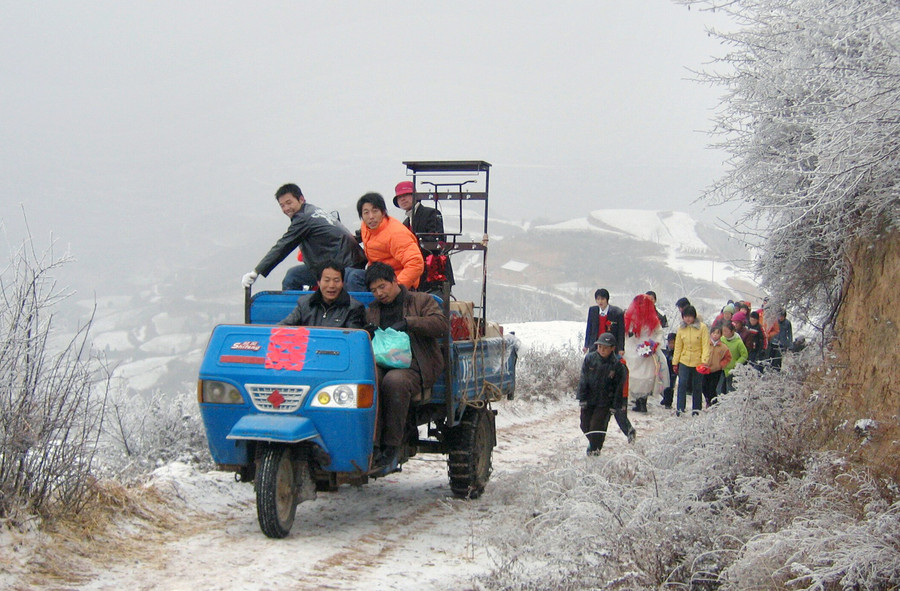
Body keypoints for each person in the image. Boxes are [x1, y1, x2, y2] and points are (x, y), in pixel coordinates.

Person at [364, 262, 447, 472]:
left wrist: (410, 323)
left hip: (416, 364)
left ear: (394, 281)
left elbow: (440, 325)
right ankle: (371, 445)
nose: (379, 293)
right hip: (384, 362)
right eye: (374, 290)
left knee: (395, 381)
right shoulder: (373, 310)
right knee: (368, 380)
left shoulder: (420, 300)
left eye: (382, 286)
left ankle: (392, 445)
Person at [241, 183, 367, 292]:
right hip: (347, 261)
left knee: (292, 278)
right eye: (282, 205)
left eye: (289, 203)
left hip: (345, 266)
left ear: (301, 199)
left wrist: (256, 271)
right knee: (293, 275)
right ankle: (300, 313)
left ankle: (295, 317)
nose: (286, 208)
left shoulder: (303, 218)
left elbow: (283, 246)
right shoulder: (313, 211)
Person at [393, 181, 454, 294]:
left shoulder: (431, 213)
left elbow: (438, 242)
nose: (403, 199)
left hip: (435, 275)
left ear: (416, 196)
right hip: (417, 278)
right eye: (399, 197)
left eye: (406, 194)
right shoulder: (405, 223)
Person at [357, 192, 425, 289]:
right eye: (366, 212)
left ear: (383, 212)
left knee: (353, 277)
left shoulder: (396, 234)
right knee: (348, 274)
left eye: (375, 211)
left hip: (395, 281)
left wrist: (396, 287)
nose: (371, 216)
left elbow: (415, 263)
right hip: (377, 276)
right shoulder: (366, 227)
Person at [576, 332, 629, 455]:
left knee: (596, 426)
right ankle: (596, 442)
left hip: (605, 402)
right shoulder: (590, 359)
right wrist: (582, 398)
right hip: (589, 399)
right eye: (600, 347)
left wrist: (615, 406)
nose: (602, 350)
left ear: (612, 348)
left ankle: (594, 449)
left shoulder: (617, 365)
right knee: (584, 425)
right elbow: (583, 379)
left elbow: (618, 388)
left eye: (605, 347)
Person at [278, 261, 365, 329]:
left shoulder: (354, 308)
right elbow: (283, 327)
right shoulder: (305, 303)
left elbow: (353, 338)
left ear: (342, 283)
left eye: (336, 280)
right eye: (327, 280)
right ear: (318, 282)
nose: (331, 286)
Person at [623, 294, 670, 413]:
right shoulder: (632, 318)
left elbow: (659, 332)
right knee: (634, 373)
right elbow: (628, 333)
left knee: (646, 375)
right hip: (635, 347)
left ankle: (642, 402)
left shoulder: (653, 319)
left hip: (648, 348)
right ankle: (638, 401)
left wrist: (654, 344)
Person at [672, 305, 710, 416]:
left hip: (698, 361)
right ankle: (680, 409)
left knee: (697, 386)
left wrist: (704, 361)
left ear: (694, 317)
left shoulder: (702, 327)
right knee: (682, 384)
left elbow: (705, 345)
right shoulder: (681, 329)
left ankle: (696, 410)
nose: (688, 319)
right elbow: (678, 346)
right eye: (685, 317)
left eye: (690, 317)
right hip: (684, 360)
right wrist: (675, 362)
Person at [583, 288, 625, 355]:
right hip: (595, 344)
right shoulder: (592, 310)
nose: (600, 301)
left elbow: (620, 332)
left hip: (610, 346)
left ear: (607, 300)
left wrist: (621, 348)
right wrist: (586, 345)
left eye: (602, 299)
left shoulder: (617, 312)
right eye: (598, 299)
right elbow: (589, 329)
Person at [701, 325, 732, 407]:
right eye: (713, 333)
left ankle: (713, 403)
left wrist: (721, 365)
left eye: (717, 333)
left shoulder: (723, 347)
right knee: (704, 386)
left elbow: (728, 357)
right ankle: (708, 399)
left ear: (721, 335)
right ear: (710, 334)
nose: (715, 335)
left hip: (716, 370)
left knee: (712, 387)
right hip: (705, 369)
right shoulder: (706, 344)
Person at [720, 321, 748, 392]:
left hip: (732, 370)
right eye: (723, 331)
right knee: (719, 390)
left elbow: (744, 355)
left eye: (726, 331)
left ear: (732, 331)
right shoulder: (722, 339)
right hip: (722, 368)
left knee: (730, 390)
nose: (724, 333)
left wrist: (737, 363)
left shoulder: (738, 342)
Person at [660, 332, 677, 409]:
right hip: (666, 370)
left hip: (673, 370)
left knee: (670, 386)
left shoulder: (676, 352)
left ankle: (669, 402)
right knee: (664, 385)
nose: (671, 345)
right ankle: (665, 398)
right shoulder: (666, 350)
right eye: (669, 343)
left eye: (673, 343)